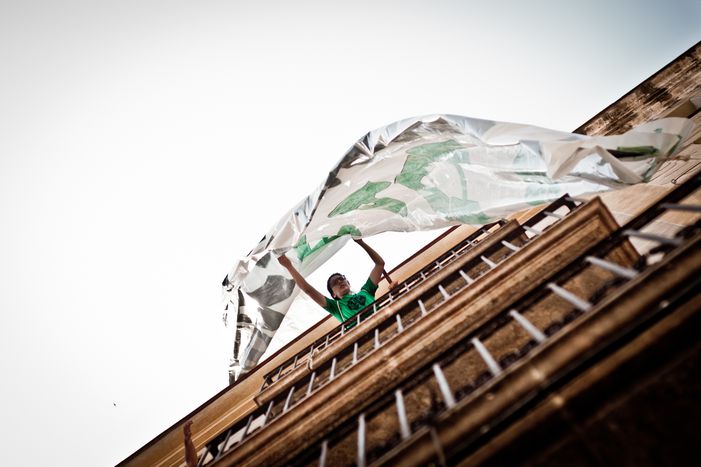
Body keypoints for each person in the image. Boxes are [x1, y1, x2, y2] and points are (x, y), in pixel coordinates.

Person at [278, 238, 392, 322]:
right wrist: (289, 266)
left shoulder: (366, 291)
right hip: (363, 336)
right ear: (334, 294)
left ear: (348, 282)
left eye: (341, 278)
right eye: (334, 283)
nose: (339, 282)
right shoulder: (335, 307)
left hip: (386, 320)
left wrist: (360, 242)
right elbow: (308, 290)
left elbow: (379, 264)